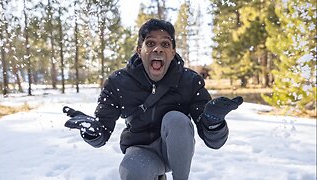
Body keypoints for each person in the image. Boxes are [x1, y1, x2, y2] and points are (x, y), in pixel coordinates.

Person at [63, 18, 243, 180]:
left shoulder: (190, 81)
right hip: (141, 151)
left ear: (172, 53)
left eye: (165, 44)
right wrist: (92, 131)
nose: (158, 49)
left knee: (176, 119)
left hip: (176, 151)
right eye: (150, 43)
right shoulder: (118, 82)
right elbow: (102, 133)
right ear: (139, 50)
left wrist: (214, 122)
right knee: (132, 169)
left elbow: (213, 141)